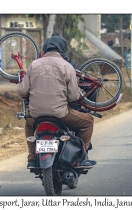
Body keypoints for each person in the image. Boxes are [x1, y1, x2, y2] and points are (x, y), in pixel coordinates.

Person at [18, 34, 96, 169]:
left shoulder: (34, 64)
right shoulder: (67, 66)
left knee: (29, 125)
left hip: (36, 115)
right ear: (62, 49)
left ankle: (32, 159)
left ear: (46, 48)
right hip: (60, 114)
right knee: (88, 121)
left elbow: (22, 91)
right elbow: (73, 96)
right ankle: (82, 157)